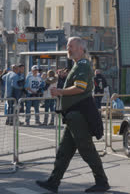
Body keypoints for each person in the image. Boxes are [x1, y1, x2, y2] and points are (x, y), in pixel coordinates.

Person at [36, 36, 109, 193]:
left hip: (79, 114)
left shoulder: (82, 65)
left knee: (86, 149)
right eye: (68, 46)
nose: (68, 49)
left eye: (72, 46)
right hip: (73, 115)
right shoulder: (77, 65)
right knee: (64, 151)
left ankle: (102, 181)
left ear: (81, 49)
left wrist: (60, 91)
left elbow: (80, 88)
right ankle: (53, 182)